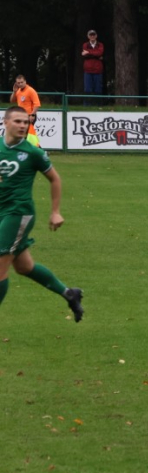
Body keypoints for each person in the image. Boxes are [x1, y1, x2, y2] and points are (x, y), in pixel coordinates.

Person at [0, 107, 84, 321]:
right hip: (2, 213)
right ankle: (70, 294)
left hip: (19, 213)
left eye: (25, 122)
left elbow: (55, 179)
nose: (22, 125)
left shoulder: (32, 152)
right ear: (5, 122)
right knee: (24, 266)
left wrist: (55, 212)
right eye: (17, 121)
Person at [81, 30, 104, 101]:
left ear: (96, 36)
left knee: (98, 89)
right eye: (91, 35)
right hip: (88, 70)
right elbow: (96, 54)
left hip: (98, 70)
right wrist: (96, 55)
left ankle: (98, 106)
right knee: (87, 89)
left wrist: (88, 53)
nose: (92, 36)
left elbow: (99, 53)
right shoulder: (85, 45)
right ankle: (87, 106)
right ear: (88, 36)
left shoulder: (100, 45)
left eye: (94, 35)